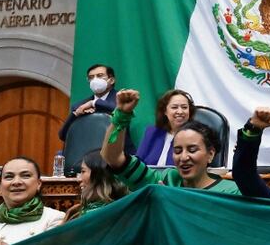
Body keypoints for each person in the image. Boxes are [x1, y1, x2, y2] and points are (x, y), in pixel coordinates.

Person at [102, 89, 240, 194]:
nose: (184, 157)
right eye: (177, 151)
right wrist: (121, 114)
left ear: (210, 154)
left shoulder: (230, 192)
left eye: (192, 150)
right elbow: (113, 158)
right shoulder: (166, 181)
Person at [58, 64, 125, 142]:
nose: (95, 80)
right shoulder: (80, 106)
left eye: (100, 76)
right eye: (91, 77)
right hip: (89, 150)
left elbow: (119, 110)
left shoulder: (122, 98)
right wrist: (76, 114)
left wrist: (94, 103)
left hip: (118, 150)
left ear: (112, 80)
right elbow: (63, 135)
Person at [59, 151, 129, 224]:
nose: (79, 179)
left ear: (99, 176)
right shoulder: (77, 210)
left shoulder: (99, 216)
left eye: (83, 171)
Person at [135, 88, 196, 165]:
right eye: (174, 107)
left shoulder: (195, 136)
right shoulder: (152, 132)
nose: (180, 112)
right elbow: (138, 162)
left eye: (184, 107)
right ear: (165, 111)